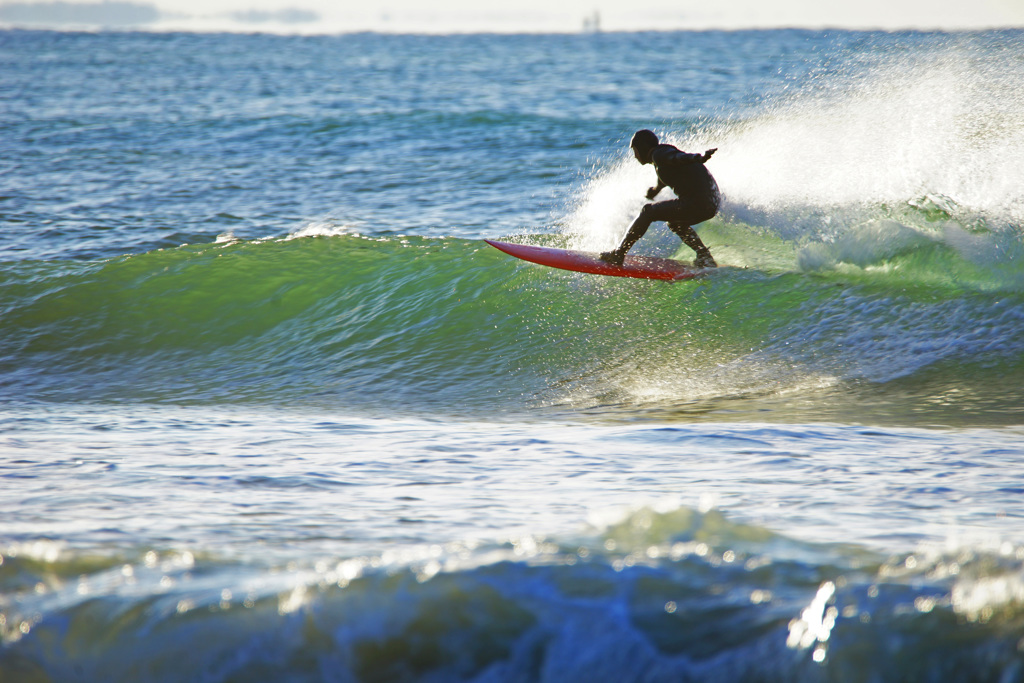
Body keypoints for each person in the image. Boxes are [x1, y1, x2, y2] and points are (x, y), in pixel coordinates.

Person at [600, 129, 720, 268]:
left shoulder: (660, 154)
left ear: (643, 148)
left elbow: (678, 157)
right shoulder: (660, 158)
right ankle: (704, 256)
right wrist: (656, 190)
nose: (635, 156)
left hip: (698, 202)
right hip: (710, 203)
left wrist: (698, 158)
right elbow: (668, 171)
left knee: (648, 211)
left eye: (635, 150)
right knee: (675, 223)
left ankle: (619, 254)